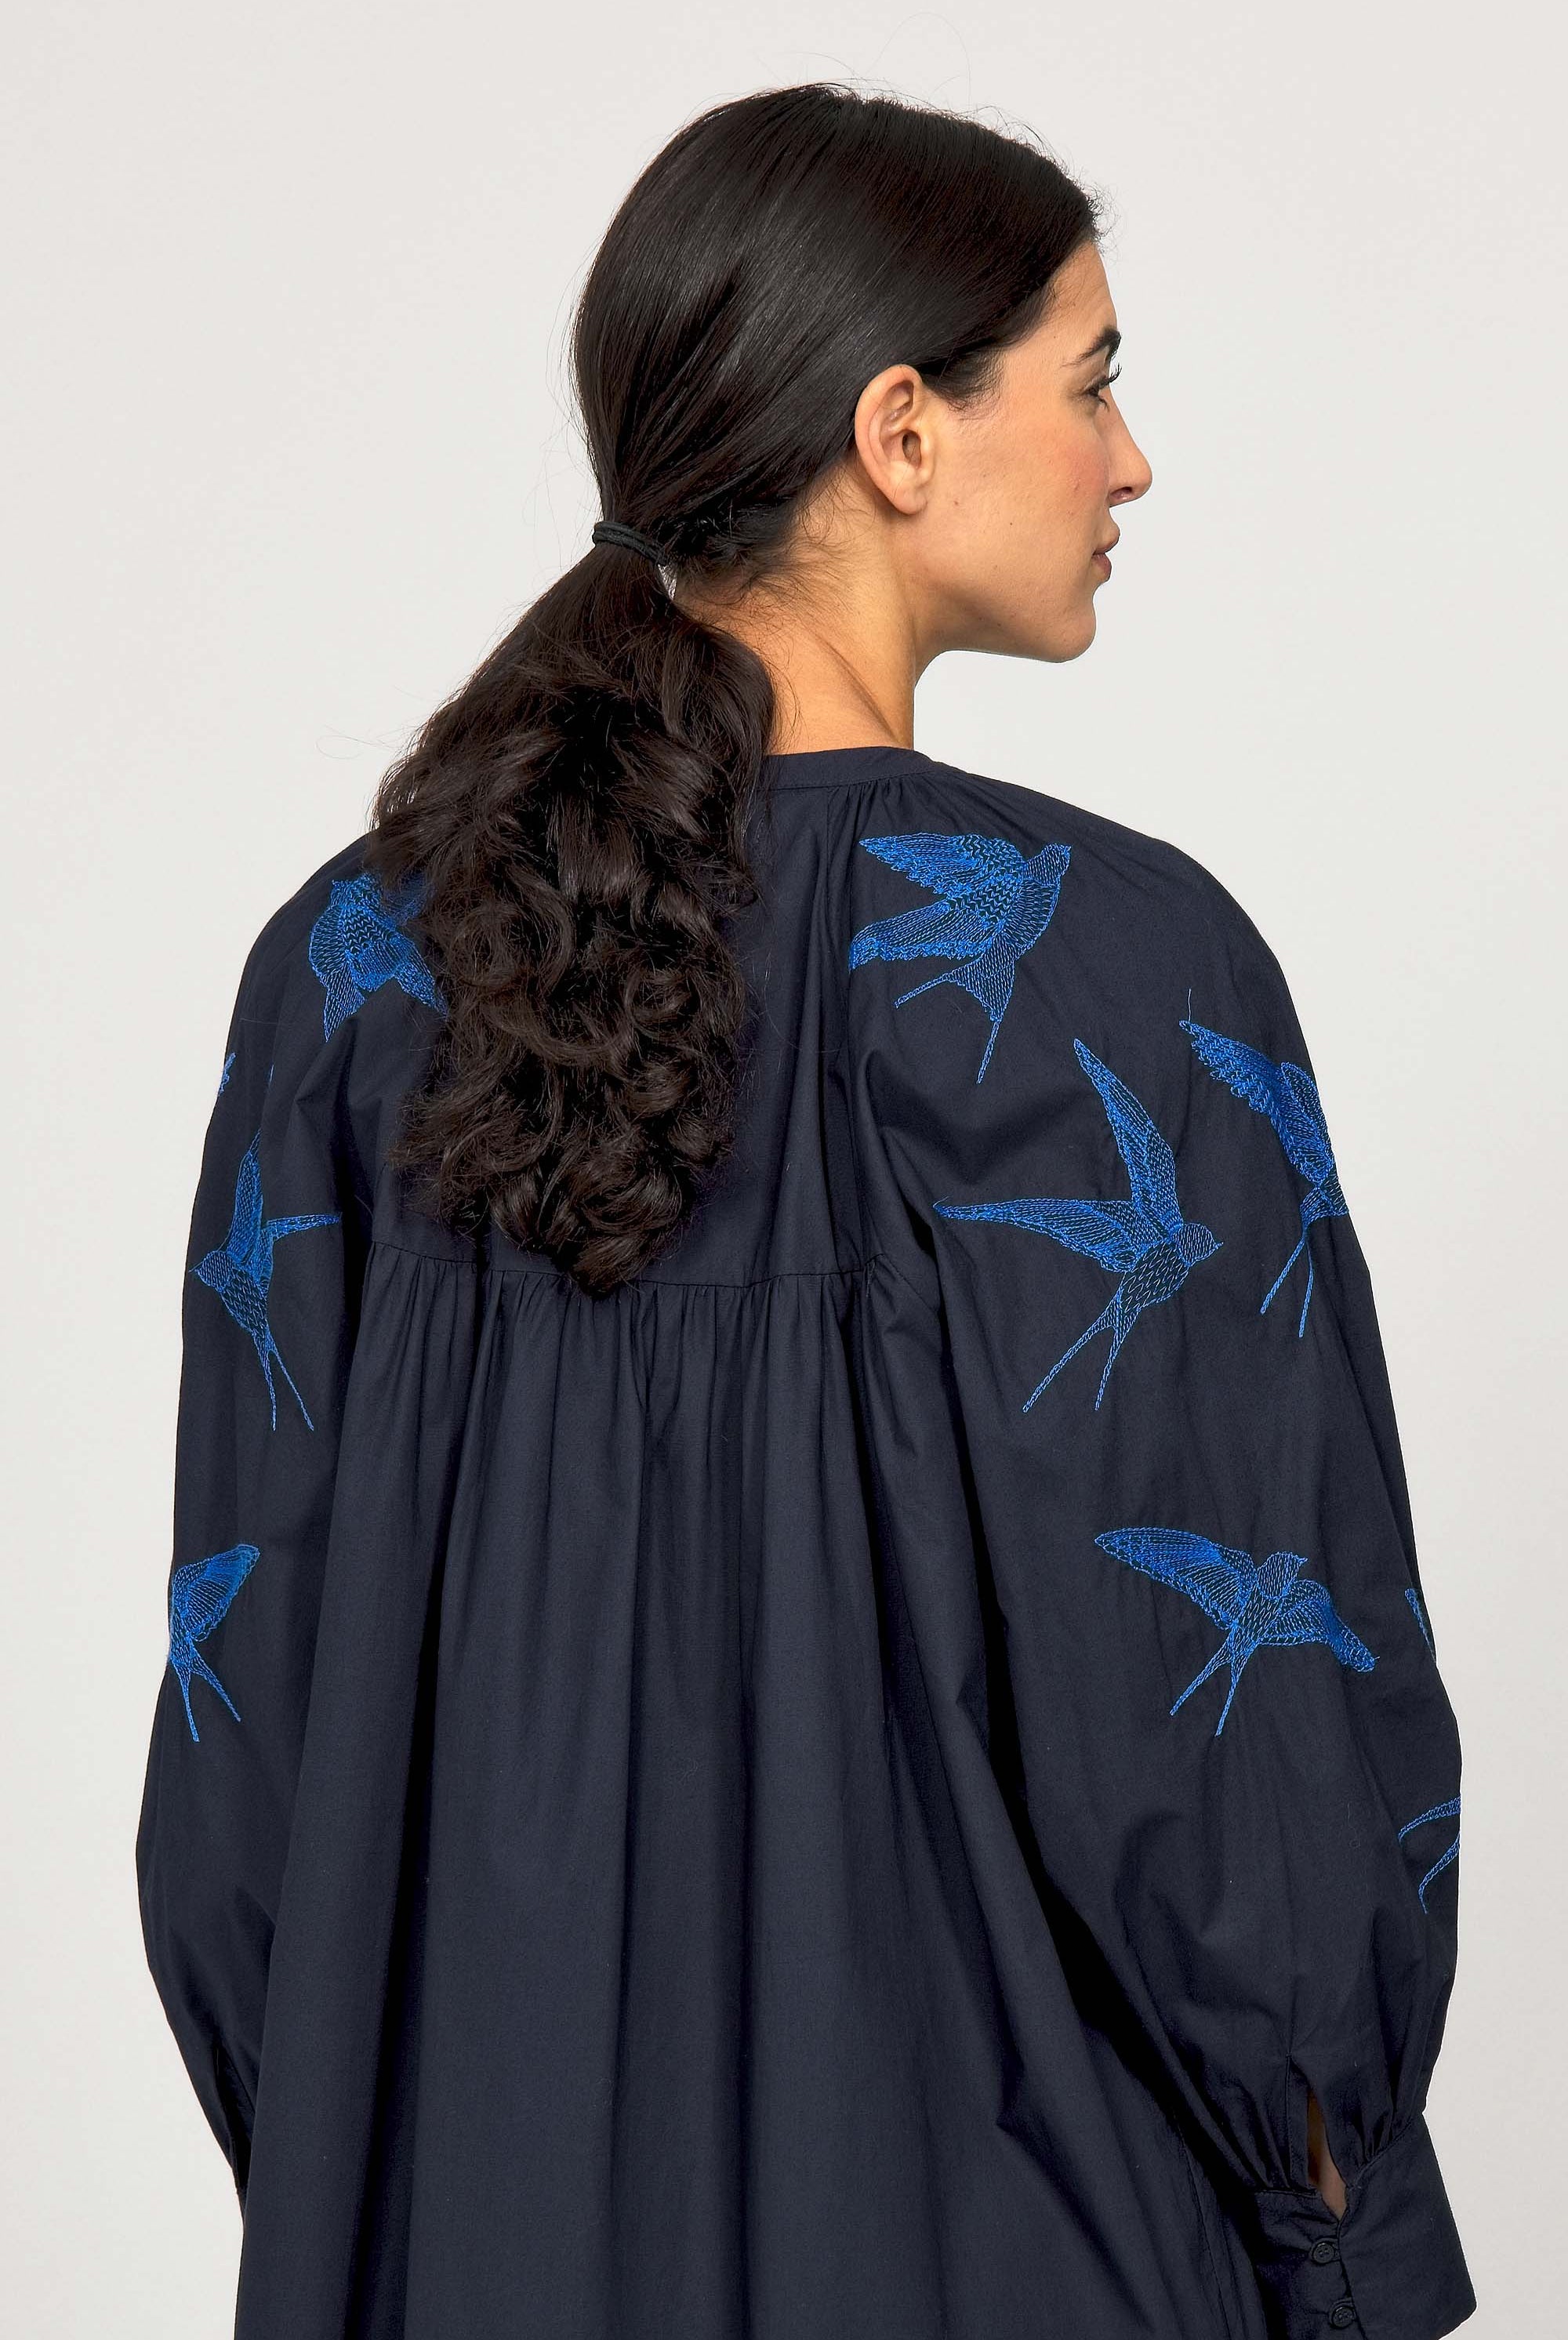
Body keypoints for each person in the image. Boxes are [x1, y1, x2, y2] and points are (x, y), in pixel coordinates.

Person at [134, 80, 1474, 2340]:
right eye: (1094, 383)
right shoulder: (1110, 970)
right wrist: (1337, 2217)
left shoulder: (350, 978)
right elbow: (1233, 1738)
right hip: (1027, 2261)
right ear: (900, 432)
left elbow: (238, 1746)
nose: (1133, 462)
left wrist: (385, 2175)